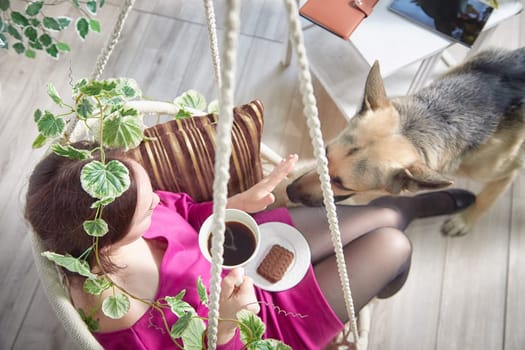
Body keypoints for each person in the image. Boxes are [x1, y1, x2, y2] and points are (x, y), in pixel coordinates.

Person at [25, 141, 475, 349]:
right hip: (263, 324)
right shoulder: (122, 318)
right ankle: (396, 265)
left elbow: (182, 212)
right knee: (391, 245)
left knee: (385, 215)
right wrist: (223, 328)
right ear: (109, 236)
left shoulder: (120, 205)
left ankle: (411, 209)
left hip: (244, 251)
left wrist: (234, 204)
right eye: (146, 208)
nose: (156, 202)